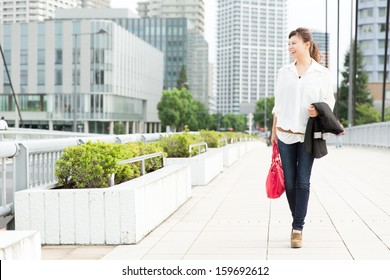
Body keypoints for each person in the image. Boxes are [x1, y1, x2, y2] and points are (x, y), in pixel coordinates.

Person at [271, 28, 335, 248]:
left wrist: (318, 110)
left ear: (306, 44)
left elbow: (329, 101)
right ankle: (297, 217)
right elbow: (277, 105)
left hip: (308, 134)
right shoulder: (284, 72)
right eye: (288, 43)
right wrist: (273, 133)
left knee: (303, 181)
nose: (290, 47)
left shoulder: (321, 73)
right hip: (285, 133)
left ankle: (297, 227)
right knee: (289, 183)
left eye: (294, 43)